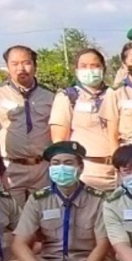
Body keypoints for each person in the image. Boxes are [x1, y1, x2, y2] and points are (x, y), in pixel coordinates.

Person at [0, 140, 118, 261]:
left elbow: (102, 245)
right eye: (56, 163)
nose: (61, 168)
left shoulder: (98, 199)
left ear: (80, 167)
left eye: (68, 163)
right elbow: (19, 244)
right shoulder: (38, 199)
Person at [0, 45, 55, 206]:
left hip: (42, 167)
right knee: (13, 218)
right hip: (11, 167)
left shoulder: (50, 96)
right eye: (15, 64)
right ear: (7, 67)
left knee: (46, 216)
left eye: (26, 63)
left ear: (34, 66)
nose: (21, 68)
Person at [50, 48, 117, 191]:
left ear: (103, 69)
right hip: (86, 170)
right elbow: (60, 141)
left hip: (116, 170)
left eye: (95, 66)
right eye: (84, 66)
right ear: (76, 70)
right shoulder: (68, 96)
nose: (90, 70)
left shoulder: (115, 94)